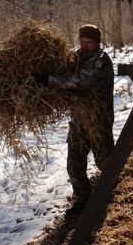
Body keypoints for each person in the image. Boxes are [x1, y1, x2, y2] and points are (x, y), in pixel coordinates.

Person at [34, 24, 114, 211]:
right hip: (78, 120)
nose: (85, 46)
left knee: (105, 161)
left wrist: (49, 79)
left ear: (97, 43)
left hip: (97, 120)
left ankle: (112, 192)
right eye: (82, 42)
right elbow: (63, 69)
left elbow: (81, 82)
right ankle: (81, 199)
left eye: (90, 43)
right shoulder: (76, 57)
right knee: (74, 164)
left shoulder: (100, 60)